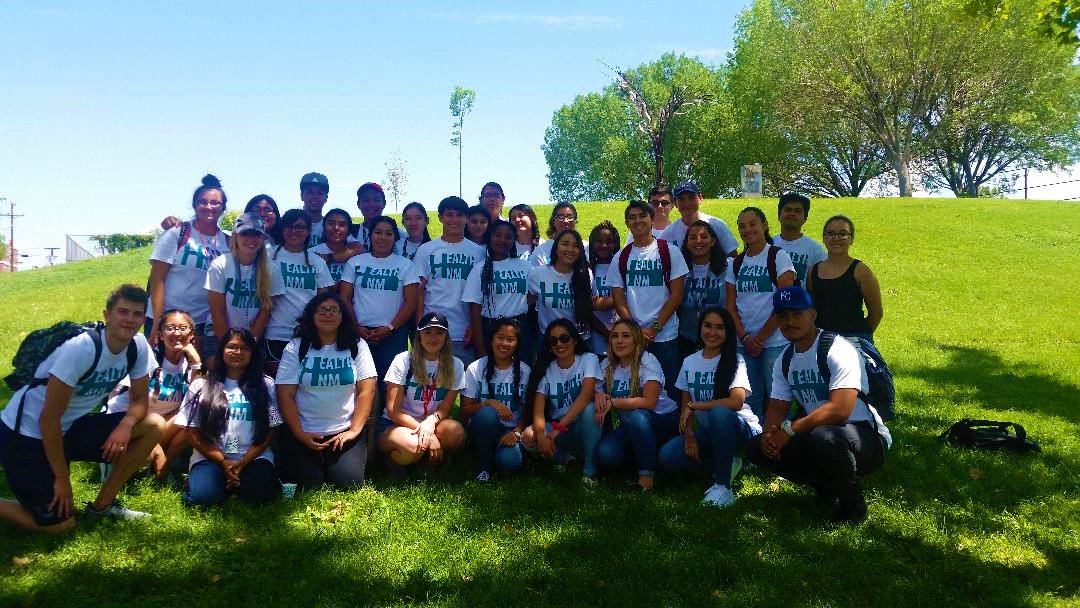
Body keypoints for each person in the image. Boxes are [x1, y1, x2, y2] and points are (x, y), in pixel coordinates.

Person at [0, 285, 164, 532]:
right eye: (123, 311)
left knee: (153, 424)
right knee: (61, 526)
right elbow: (48, 419)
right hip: (25, 434)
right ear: (107, 315)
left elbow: (140, 401)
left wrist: (125, 426)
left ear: (143, 319)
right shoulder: (82, 349)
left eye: (137, 314)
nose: (129, 320)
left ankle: (102, 505)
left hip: (70, 427)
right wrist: (62, 480)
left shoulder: (138, 346)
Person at [746, 286, 891, 524]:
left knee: (825, 437)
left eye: (797, 314)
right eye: (783, 316)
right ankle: (827, 486)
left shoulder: (838, 348)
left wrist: (789, 431)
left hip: (865, 437)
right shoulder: (785, 358)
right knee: (755, 447)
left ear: (813, 314)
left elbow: (840, 410)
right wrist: (770, 434)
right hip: (818, 434)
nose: (790, 321)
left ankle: (853, 506)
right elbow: (777, 407)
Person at [658, 307, 760, 507]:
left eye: (720, 328)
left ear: (727, 332)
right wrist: (689, 436)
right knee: (668, 456)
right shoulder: (689, 362)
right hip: (710, 432)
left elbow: (736, 402)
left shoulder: (735, 360)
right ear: (700, 328)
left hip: (743, 430)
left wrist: (696, 405)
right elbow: (684, 406)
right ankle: (728, 463)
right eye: (707, 326)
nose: (712, 332)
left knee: (719, 412)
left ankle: (723, 487)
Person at [275, 292, 378, 489]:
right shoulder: (296, 347)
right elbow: (285, 394)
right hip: (305, 430)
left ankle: (333, 463)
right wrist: (299, 433)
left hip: (343, 430)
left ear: (342, 316)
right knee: (306, 484)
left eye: (333, 310)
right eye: (321, 310)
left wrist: (354, 431)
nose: (327, 315)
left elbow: (367, 391)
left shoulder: (356, 345)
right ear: (312, 315)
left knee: (349, 483)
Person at [177, 328, 282, 506]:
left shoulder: (266, 384)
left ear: (253, 353)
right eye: (232, 347)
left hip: (254, 457)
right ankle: (211, 482)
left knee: (261, 495)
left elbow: (272, 428)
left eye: (245, 348)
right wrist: (223, 461)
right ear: (221, 350)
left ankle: (233, 483)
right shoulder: (200, 385)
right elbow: (191, 432)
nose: (238, 352)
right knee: (202, 499)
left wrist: (244, 461)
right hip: (211, 457)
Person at [105, 309, 201, 482]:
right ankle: (154, 459)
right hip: (126, 422)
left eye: (182, 328)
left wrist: (196, 362)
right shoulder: (148, 359)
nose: (177, 333)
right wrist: (153, 446)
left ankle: (166, 464)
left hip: (158, 424)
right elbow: (133, 407)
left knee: (193, 415)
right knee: (146, 455)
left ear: (191, 334)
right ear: (160, 334)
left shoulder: (188, 363)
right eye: (170, 328)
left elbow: (193, 400)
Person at [607, 200, 688, 402]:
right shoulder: (621, 257)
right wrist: (635, 330)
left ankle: (674, 430)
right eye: (632, 217)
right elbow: (618, 297)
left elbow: (676, 295)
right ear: (627, 223)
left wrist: (654, 328)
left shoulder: (669, 251)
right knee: (637, 390)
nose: (637, 220)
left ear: (652, 219)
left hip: (665, 335)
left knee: (670, 388)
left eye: (642, 215)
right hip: (633, 338)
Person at [338, 215, 420, 405]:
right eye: (378, 232)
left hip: (392, 334)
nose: (383, 237)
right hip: (359, 333)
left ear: (395, 238)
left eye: (388, 233)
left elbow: (410, 302)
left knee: (389, 384)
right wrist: (356, 327)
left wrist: (390, 328)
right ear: (370, 235)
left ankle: (386, 425)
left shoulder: (405, 265)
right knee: (358, 383)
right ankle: (360, 429)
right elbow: (344, 298)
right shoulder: (356, 262)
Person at [147, 174, 230, 358]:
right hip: (167, 320)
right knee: (160, 375)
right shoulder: (178, 233)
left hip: (201, 324)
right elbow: (157, 278)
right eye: (203, 201)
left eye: (215, 203)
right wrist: (157, 322)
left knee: (194, 375)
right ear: (194, 205)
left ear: (223, 208)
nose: (209, 207)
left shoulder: (228, 240)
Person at [725, 206, 795, 419]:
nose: (748, 229)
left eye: (753, 223)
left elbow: (784, 301)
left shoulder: (778, 256)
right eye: (742, 226)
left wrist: (761, 338)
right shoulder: (736, 263)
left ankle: (779, 443)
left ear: (764, 225)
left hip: (774, 342)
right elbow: (730, 304)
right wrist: (745, 337)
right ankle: (754, 444)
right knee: (749, 400)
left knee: (778, 398)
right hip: (744, 343)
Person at [594, 319, 678, 491]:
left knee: (638, 416)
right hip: (631, 425)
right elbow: (593, 389)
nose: (619, 341)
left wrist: (613, 401)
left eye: (626, 336)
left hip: (663, 420)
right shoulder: (607, 365)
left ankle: (646, 478)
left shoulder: (647, 360)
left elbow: (649, 402)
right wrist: (599, 395)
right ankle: (643, 457)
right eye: (615, 336)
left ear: (636, 340)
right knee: (606, 454)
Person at [378, 312, 467, 470]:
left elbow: (446, 408)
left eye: (439, 333)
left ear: (446, 337)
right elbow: (393, 411)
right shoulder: (403, 360)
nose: (433, 338)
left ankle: (426, 460)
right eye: (427, 332)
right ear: (419, 335)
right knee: (412, 446)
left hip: (431, 422)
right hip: (397, 423)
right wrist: (427, 433)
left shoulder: (456, 365)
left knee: (456, 433)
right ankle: (395, 461)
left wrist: (430, 424)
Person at [526, 320, 603, 485]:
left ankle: (590, 470)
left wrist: (557, 430)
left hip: (585, 426)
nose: (559, 344)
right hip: (561, 429)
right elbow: (538, 411)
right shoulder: (546, 368)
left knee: (590, 409)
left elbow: (587, 393)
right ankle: (562, 457)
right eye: (553, 341)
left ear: (575, 340)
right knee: (528, 437)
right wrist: (541, 437)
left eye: (564, 338)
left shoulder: (588, 359)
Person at [414, 196, 486, 364]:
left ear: (466, 218)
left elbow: (481, 294)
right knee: (432, 385)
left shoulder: (478, 252)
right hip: (433, 328)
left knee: (466, 385)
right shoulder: (426, 250)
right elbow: (419, 291)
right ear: (440, 218)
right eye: (449, 215)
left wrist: (475, 326)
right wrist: (419, 325)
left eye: (460, 215)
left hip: (464, 331)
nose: (455, 220)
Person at [459, 319, 533, 481]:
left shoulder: (525, 371)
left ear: (517, 344)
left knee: (510, 462)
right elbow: (464, 410)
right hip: (482, 426)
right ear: (491, 340)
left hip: (510, 430)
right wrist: (489, 403)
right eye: (500, 337)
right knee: (488, 414)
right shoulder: (475, 368)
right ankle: (484, 466)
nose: (504, 343)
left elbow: (528, 410)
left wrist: (517, 432)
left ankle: (499, 453)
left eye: (511, 339)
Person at [264, 209, 335, 372]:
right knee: (277, 385)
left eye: (300, 227)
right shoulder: (268, 256)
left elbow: (323, 300)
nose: (294, 231)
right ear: (282, 229)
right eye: (289, 226)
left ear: (309, 231)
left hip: (307, 333)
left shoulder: (317, 261)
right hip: (276, 333)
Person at [205, 213, 282, 349]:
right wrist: (229, 346)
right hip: (219, 336)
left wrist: (248, 345)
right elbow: (217, 312)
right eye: (245, 233)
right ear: (235, 236)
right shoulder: (220, 265)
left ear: (263, 237)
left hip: (253, 338)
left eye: (256, 234)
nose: (250, 239)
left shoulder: (272, 268)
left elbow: (266, 310)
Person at [806, 215, 883, 346]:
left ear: (851, 239)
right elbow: (811, 309)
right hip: (821, 339)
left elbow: (876, 313)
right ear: (824, 238)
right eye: (831, 233)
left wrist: (861, 337)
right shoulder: (813, 271)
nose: (836, 238)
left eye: (843, 234)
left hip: (854, 340)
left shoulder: (861, 271)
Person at [464, 220, 533, 361]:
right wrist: (481, 349)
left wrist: (520, 308)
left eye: (508, 237)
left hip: (520, 330)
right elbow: (475, 312)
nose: (503, 239)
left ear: (514, 241)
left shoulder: (525, 266)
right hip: (491, 330)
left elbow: (533, 294)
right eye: (498, 235)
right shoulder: (479, 269)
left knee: (523, 375)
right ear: (490, 237)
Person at [527, 229, 602, 344]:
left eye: (576, 246)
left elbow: (593, 303)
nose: (570, 249)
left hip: (581, 340)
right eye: (565, 244)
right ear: (556, 248)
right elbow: (527, 304)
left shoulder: (586, 274)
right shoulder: (537, 274)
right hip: (549, 339)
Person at [678, 220, 729, 358]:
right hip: (686, 338)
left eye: (704, 237)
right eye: (693, 237)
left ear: (713, 241)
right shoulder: (679, 269)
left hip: (720, 337)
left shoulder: (729, 267)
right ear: (687, 243)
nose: (698, 241)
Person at [659, 180, 738, 255]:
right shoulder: (668, 234)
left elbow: (733, 257)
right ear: (675, 203)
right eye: (681, 199)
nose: (687, 204)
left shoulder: (718, 226)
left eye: (691, 198)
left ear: (700, 198)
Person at [774, 193, 827, 285]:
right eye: (787, 210)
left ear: (805, 218)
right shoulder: (767, 245)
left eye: (798, 211)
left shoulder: (816, 250)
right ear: (779, 215)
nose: (792, 214)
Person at [587, 221, 620, 356]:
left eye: (609, 241)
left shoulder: (622, 267)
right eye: (599, 241)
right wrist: (606, 334)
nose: (604, 245)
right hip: (595, 337)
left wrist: (605, 302)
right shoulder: (586, 269)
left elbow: (630, 299)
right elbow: (587, 306)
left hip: (621, 335)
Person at [311, 208, 361, 285]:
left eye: (342, 225)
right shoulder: (311, 253)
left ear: (349, 231)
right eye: (331, 224)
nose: (336, 228)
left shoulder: (358, 258)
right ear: (324, 227)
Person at [353, 182, 406, 255]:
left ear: (384, 203)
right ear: (358, 204)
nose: (371, 204)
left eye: (376, 200)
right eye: (366, 200)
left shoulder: (400, 235)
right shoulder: (351, 233)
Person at [531, 202, 588, 267]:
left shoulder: (586, 247)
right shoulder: (541, 250)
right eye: (560, 217)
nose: (566, 221)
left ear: (576, 221)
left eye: (570, 217)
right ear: (554, 222)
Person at [299, 172, 331, 248]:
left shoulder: (332, 226)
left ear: (326, 198)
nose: (315, 196)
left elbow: (357, 248)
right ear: (302, 196)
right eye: (309, 192)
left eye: (320, 193)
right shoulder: (290, 224)